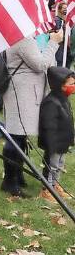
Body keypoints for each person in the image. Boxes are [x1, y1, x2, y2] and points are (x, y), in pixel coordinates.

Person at [1, 31, 62, 197]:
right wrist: (54, 42)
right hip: (22, 93)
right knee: (16, 137)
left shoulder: (22, 37)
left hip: (24, 93)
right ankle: (10, 182)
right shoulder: (23, 39)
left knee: (19, 137)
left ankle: (17, 176)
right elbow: (40, 64)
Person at [38, 66, 75, 203]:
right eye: (71, 84)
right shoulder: (51, 102)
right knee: (51, 166)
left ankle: (55, 185)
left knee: (59, 165)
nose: (73, 86)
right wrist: (51, 145)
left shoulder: (64, 99)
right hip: (54, 144)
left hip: (63, 142)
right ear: (60, 85)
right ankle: (47, 189)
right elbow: (49, 126)